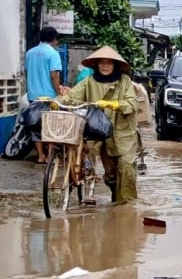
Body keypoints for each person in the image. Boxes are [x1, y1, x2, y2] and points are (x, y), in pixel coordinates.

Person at [61, 46, 139, 205]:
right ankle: (116, 196)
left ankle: (126, 208)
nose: (105, 66)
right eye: (102, 62)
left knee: (126, 167)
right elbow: (72, 97)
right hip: (100, 133)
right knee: (111, 175)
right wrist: (57, 102)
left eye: (109, 63)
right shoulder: (89, 81)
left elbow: (132, 103)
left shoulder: (124, 81)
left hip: (123, 133)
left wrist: (115, 104)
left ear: (115, 65)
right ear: (96, 65)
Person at [25, 26, 68, 163]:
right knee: (51, 126)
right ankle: (49, 155)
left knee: (35, 124)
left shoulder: (29, 53)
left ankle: (40, 155)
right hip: (49, 97)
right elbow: (54, 75)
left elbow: (27, 73)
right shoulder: (53, 54)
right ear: (54, 39)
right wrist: (59, 92)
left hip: (33, 95)